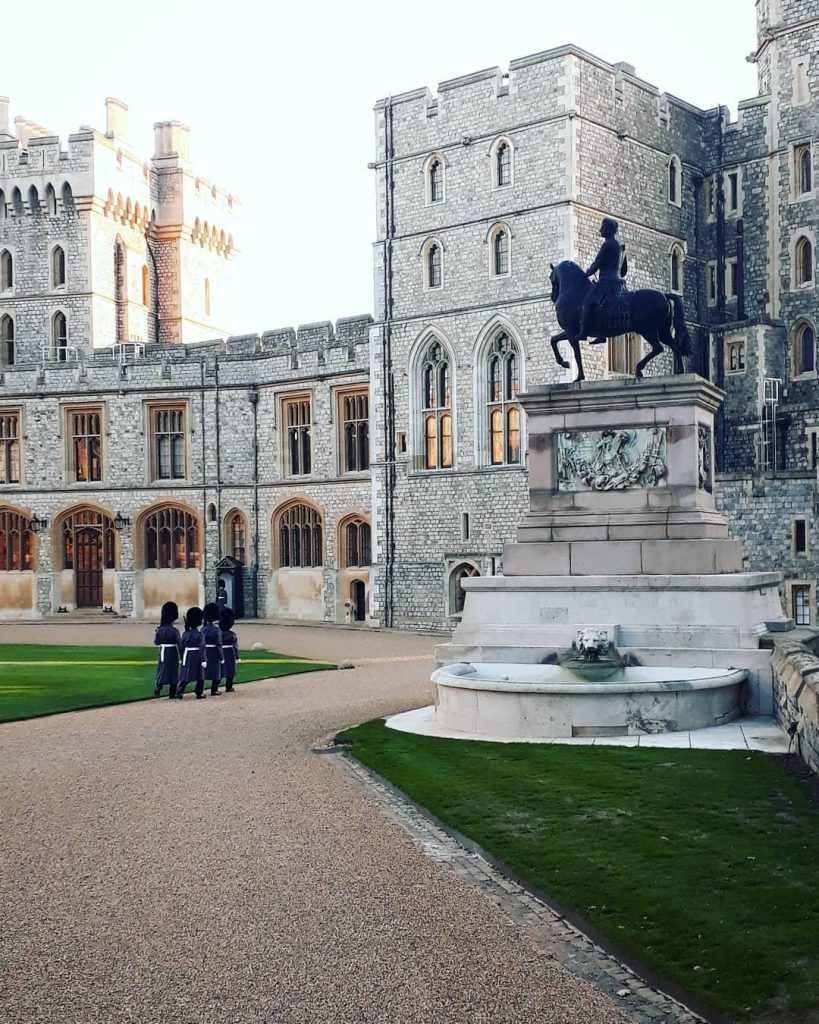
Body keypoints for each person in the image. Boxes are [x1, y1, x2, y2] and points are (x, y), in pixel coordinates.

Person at [579, 217, 627, 342]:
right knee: (604, 306)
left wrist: (585, 275)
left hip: (607, 282)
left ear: (609, 230)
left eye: (603, 227)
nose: (600, 230)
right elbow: (624, 269)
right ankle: (602, 334)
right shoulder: (619, 245)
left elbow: (597, 263)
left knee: (587, 302)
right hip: (618, 282)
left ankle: (583, 333)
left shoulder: (608, 244)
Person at [153, 601, 182, 700]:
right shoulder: (175, 631)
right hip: (172, 652)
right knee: (173, 671)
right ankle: (172, 693)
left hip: (162, 651)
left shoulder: (160, 630)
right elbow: (180, 644)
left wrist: (156, 633)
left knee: (162, 670)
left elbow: (156, 642)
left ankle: (158, 686)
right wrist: (182, 656)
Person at [178, 606, 207, 700]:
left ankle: (180, 689)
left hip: (187, 655)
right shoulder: (200, 635)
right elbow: (202, 648)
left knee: (186, 673)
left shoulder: (185, 634)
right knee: (200, 675)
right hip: (196, 656)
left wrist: (182, 657)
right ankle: (199, 692)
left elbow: (181, 647)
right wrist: (203, 659)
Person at [202, 602, 224, 696]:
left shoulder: (203, 629)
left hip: (205, 651)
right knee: (216, 671)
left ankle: (200, 690)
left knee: (203, 672)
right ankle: (214, 690)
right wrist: (221, 657)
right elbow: (218, 644)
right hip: (214, 652)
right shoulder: (216, 630)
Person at [219, 608, 241, 693]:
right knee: (230, 671)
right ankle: (229, 687)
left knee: (220, 670)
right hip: (229, 652)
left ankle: (215, 686)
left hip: (221, 652)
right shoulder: (232, 635)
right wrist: (237, 656)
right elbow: (235, 646)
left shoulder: (218, 633)